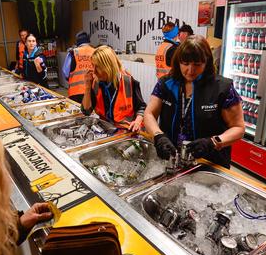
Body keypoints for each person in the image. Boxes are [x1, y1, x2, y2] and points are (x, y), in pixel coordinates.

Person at [144, 35, 245, 168]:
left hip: (209, 164)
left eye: (197, 65)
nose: (190, 70)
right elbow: (149, 113)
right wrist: (158, 136)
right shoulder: (166, 84)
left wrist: (213, 142)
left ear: (206, 62)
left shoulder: (222, 88)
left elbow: (238, 128)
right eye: (185, 64)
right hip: (171, 160)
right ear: (178, 61)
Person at [82, 45, 145, 132]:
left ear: (108, 66)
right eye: (93, 66)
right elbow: (86, 111)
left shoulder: (128, 81)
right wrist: (88, 87)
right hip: (106, 129)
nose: (94, 71)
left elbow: (141, 107)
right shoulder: (96, 82)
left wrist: (137, 121)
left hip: (126, 131)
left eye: (98, 67)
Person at [63, 31, 95, 103]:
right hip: (93, 91)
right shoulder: (95, 52)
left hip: (76, 92)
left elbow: (66, 73)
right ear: (88, 41)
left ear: (77, 42)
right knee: (93, 113)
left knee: (78, 113)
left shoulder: (73, 53)